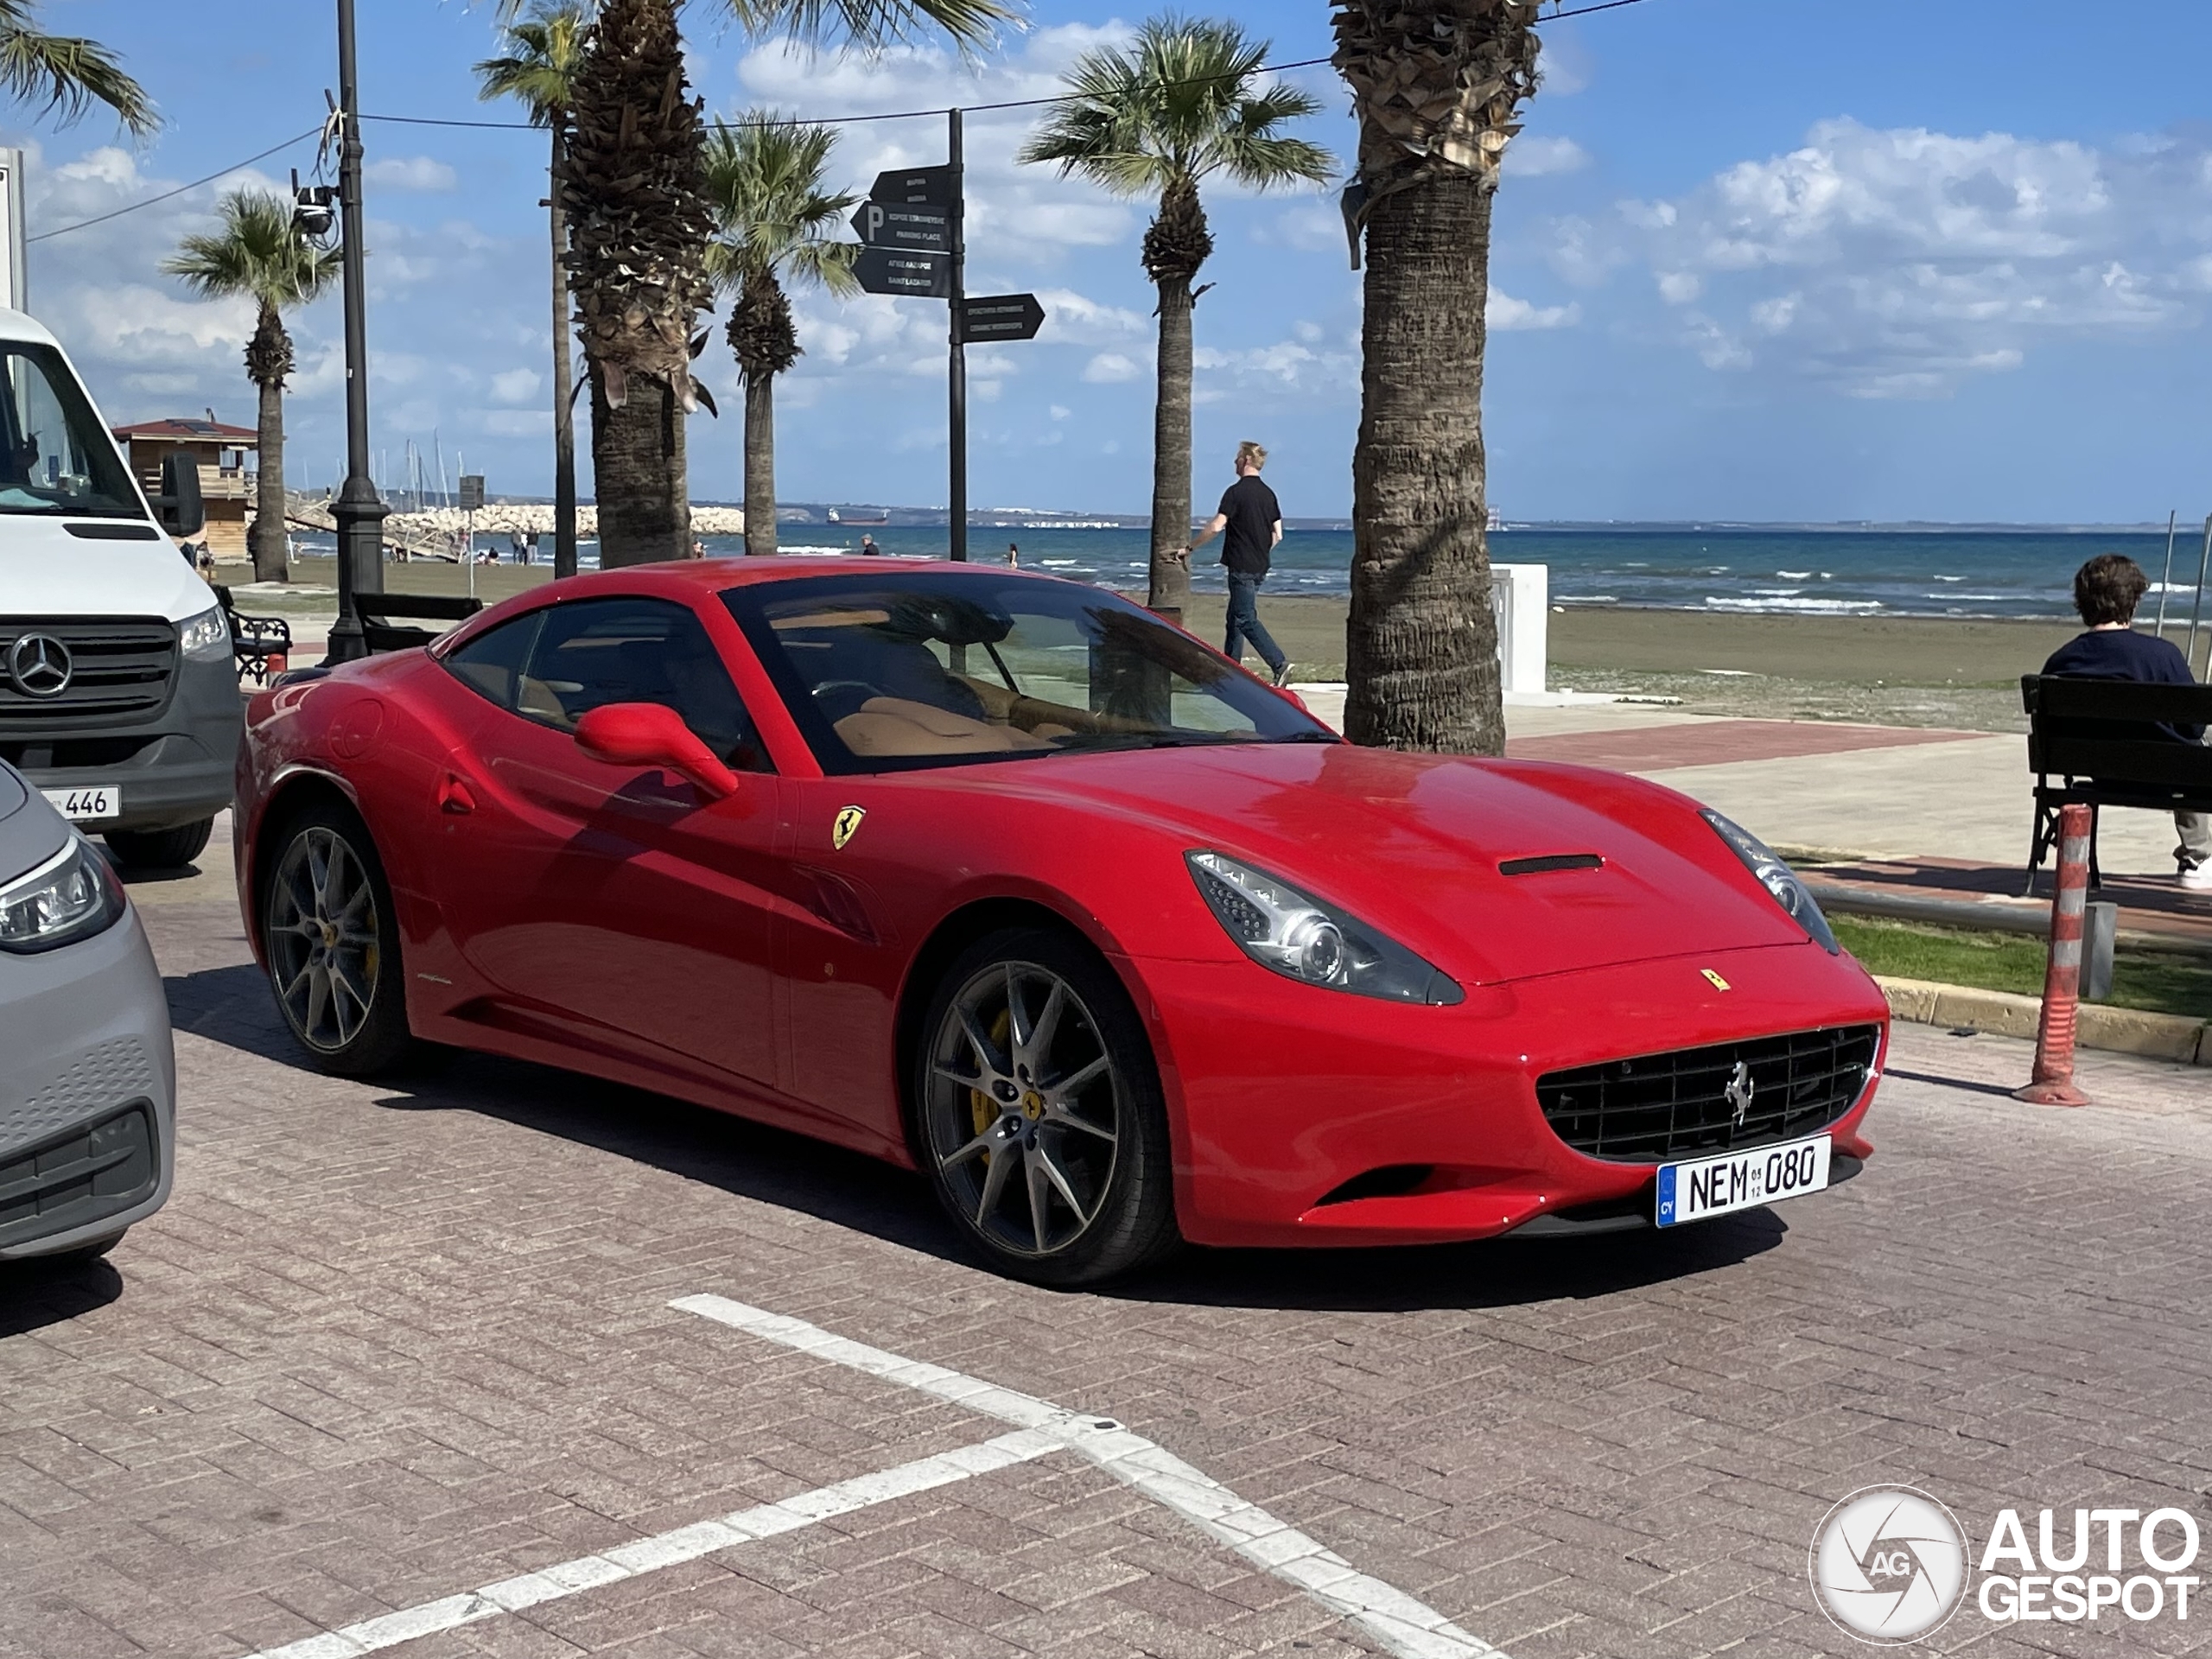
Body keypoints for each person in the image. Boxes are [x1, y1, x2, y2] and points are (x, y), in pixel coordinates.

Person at [2041, 552, 2211, 891]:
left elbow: (2051, 729)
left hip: (2098, 775)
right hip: (2166, 774)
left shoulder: (2061, 661)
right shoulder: (2161, 655)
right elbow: (2192, 727)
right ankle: (2197, 856)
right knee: (2197, 752)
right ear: (2133, 602)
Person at [1180, 440, 1289, 686]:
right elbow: (1278, 534)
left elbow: (1216, 526)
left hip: (1241, 566)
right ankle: (1231, 670)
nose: (1235, 462)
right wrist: (1260, 551)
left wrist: (1190, 548)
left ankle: (1279, 663)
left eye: (1238, 457)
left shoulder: (1235, 492)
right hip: (1260, 566)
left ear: (1247, 460)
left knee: (1245, 619)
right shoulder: (1269, 494)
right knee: (1235, 618)